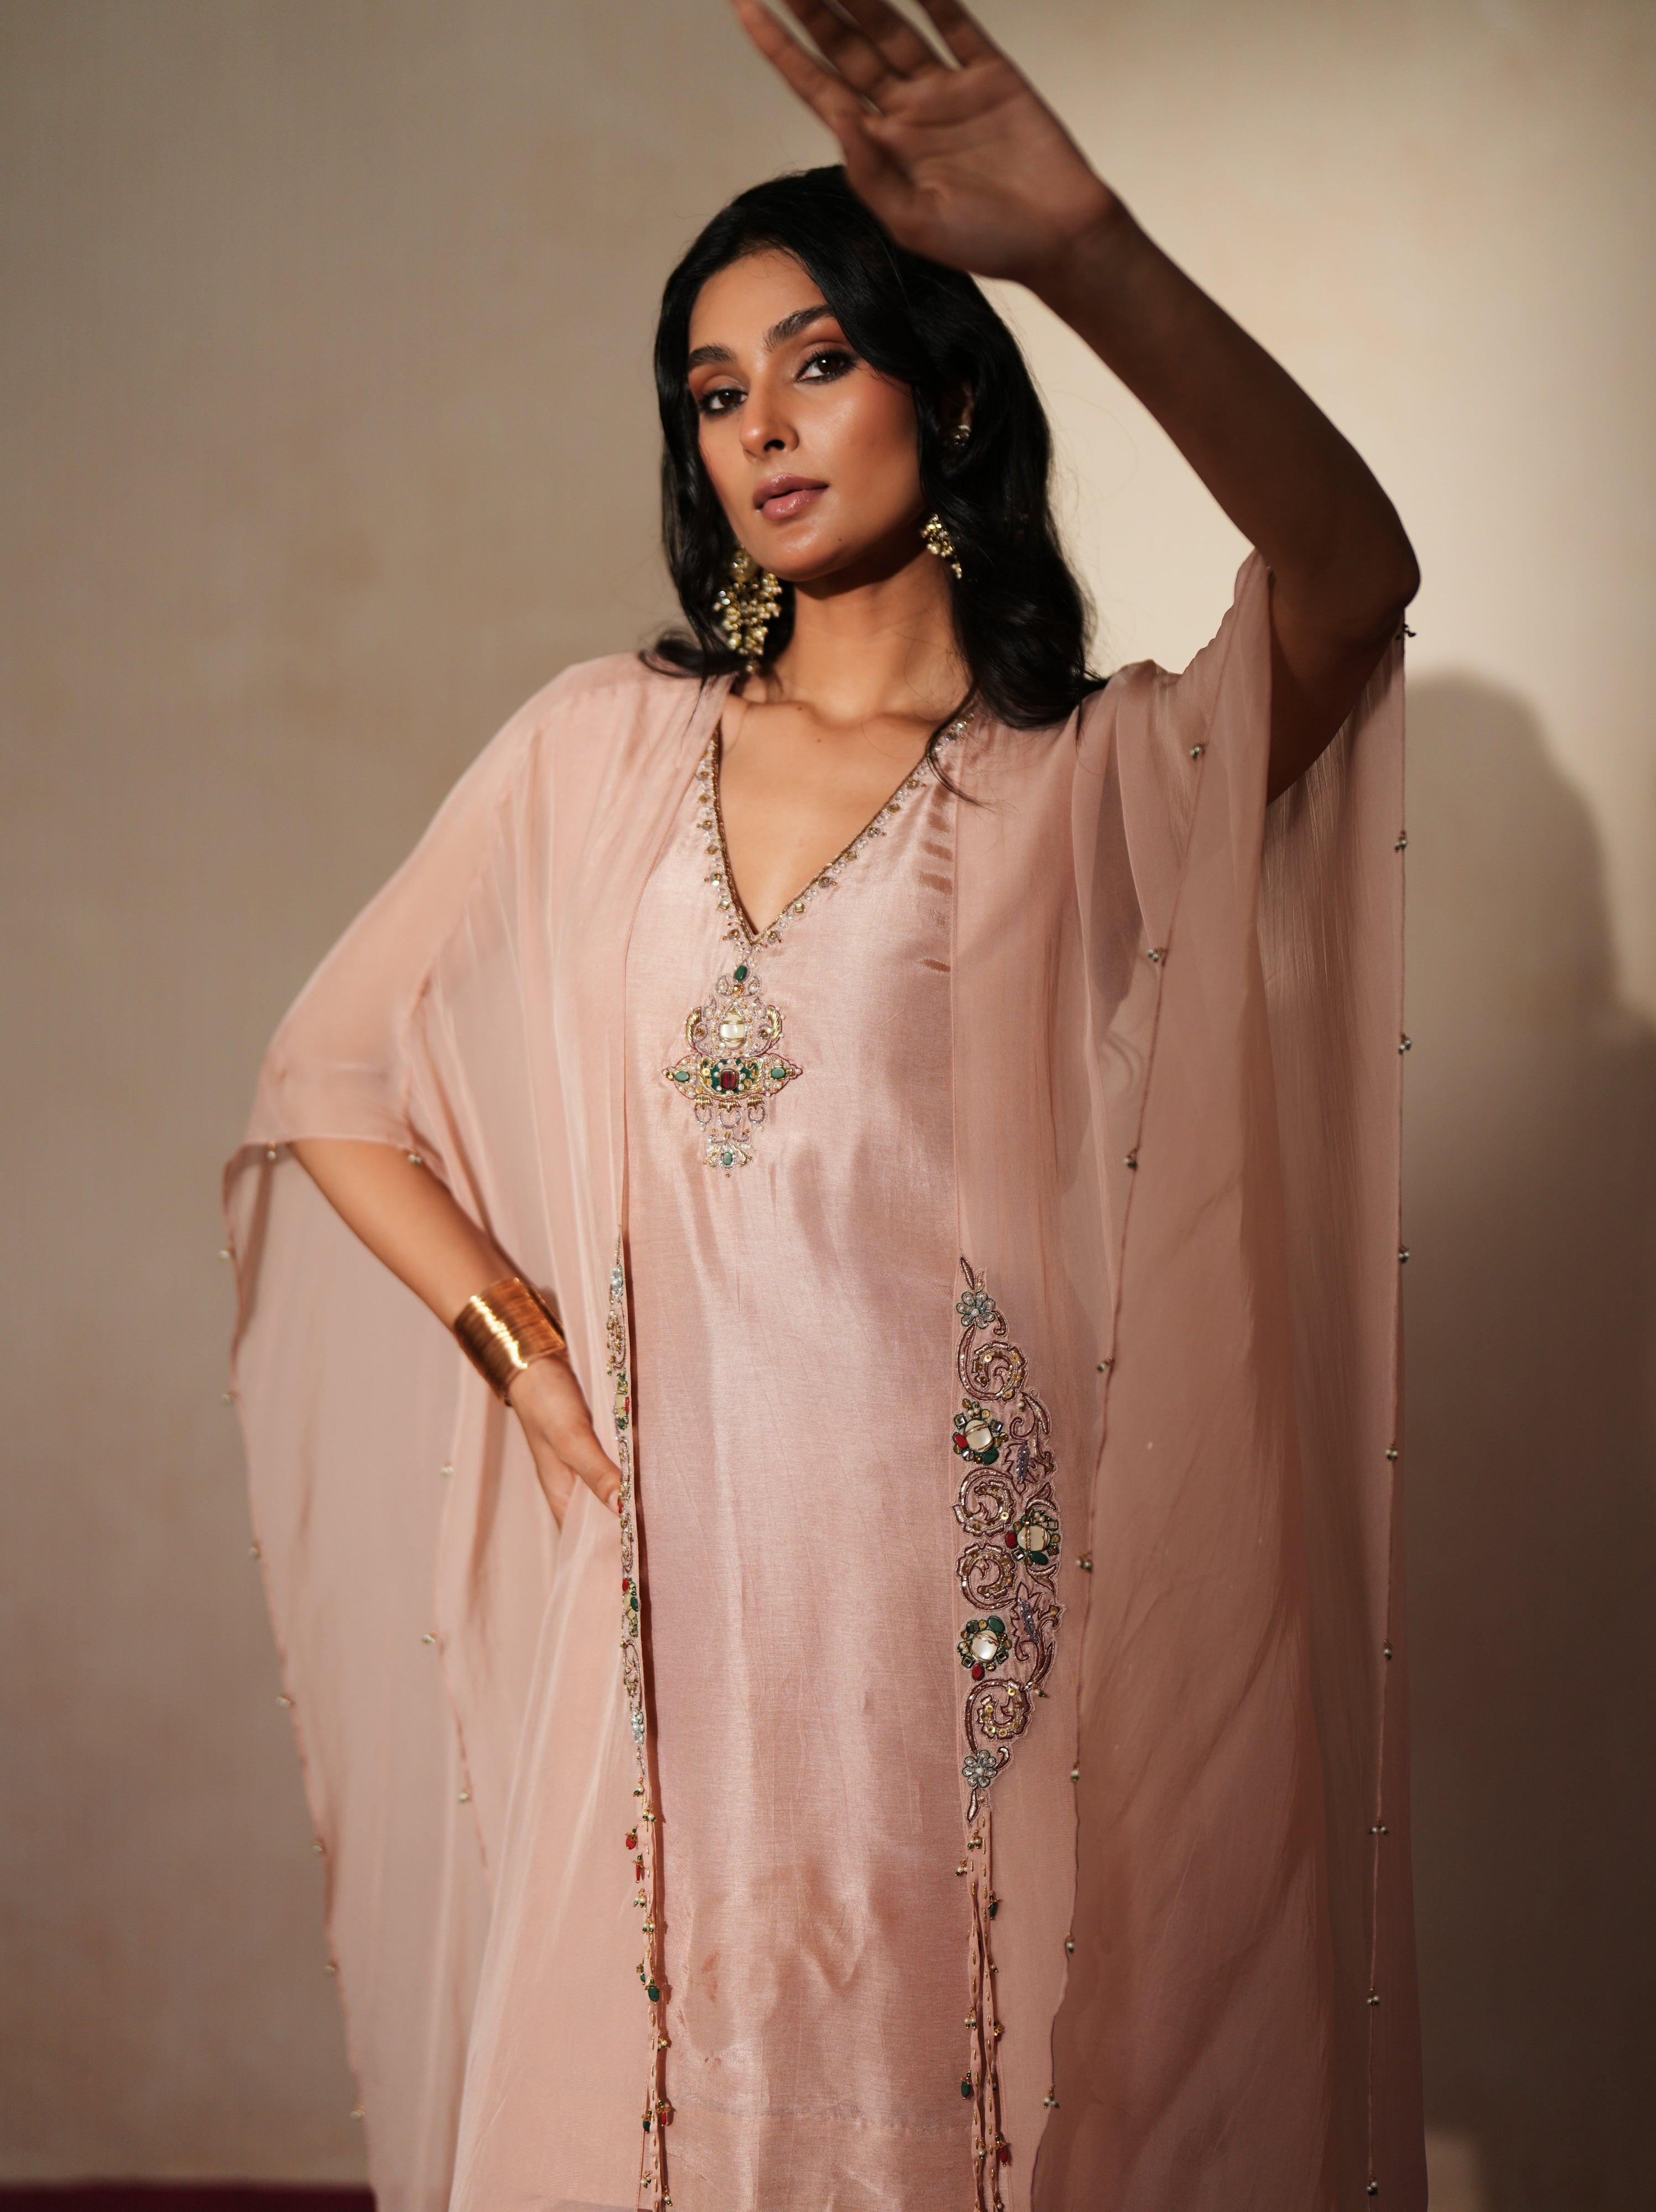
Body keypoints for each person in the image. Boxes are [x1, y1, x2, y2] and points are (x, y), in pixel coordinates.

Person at [226, 4, 1425, 2209]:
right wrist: (524, 1359)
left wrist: (1092, 252)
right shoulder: (595, 748)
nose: (759, 425)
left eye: (815, 362)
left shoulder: (1096, 788)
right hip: (665, 1625)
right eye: (713, 391)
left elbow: (1355, 577)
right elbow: (332, 1078)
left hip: (977, 1638)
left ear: (947, 395)